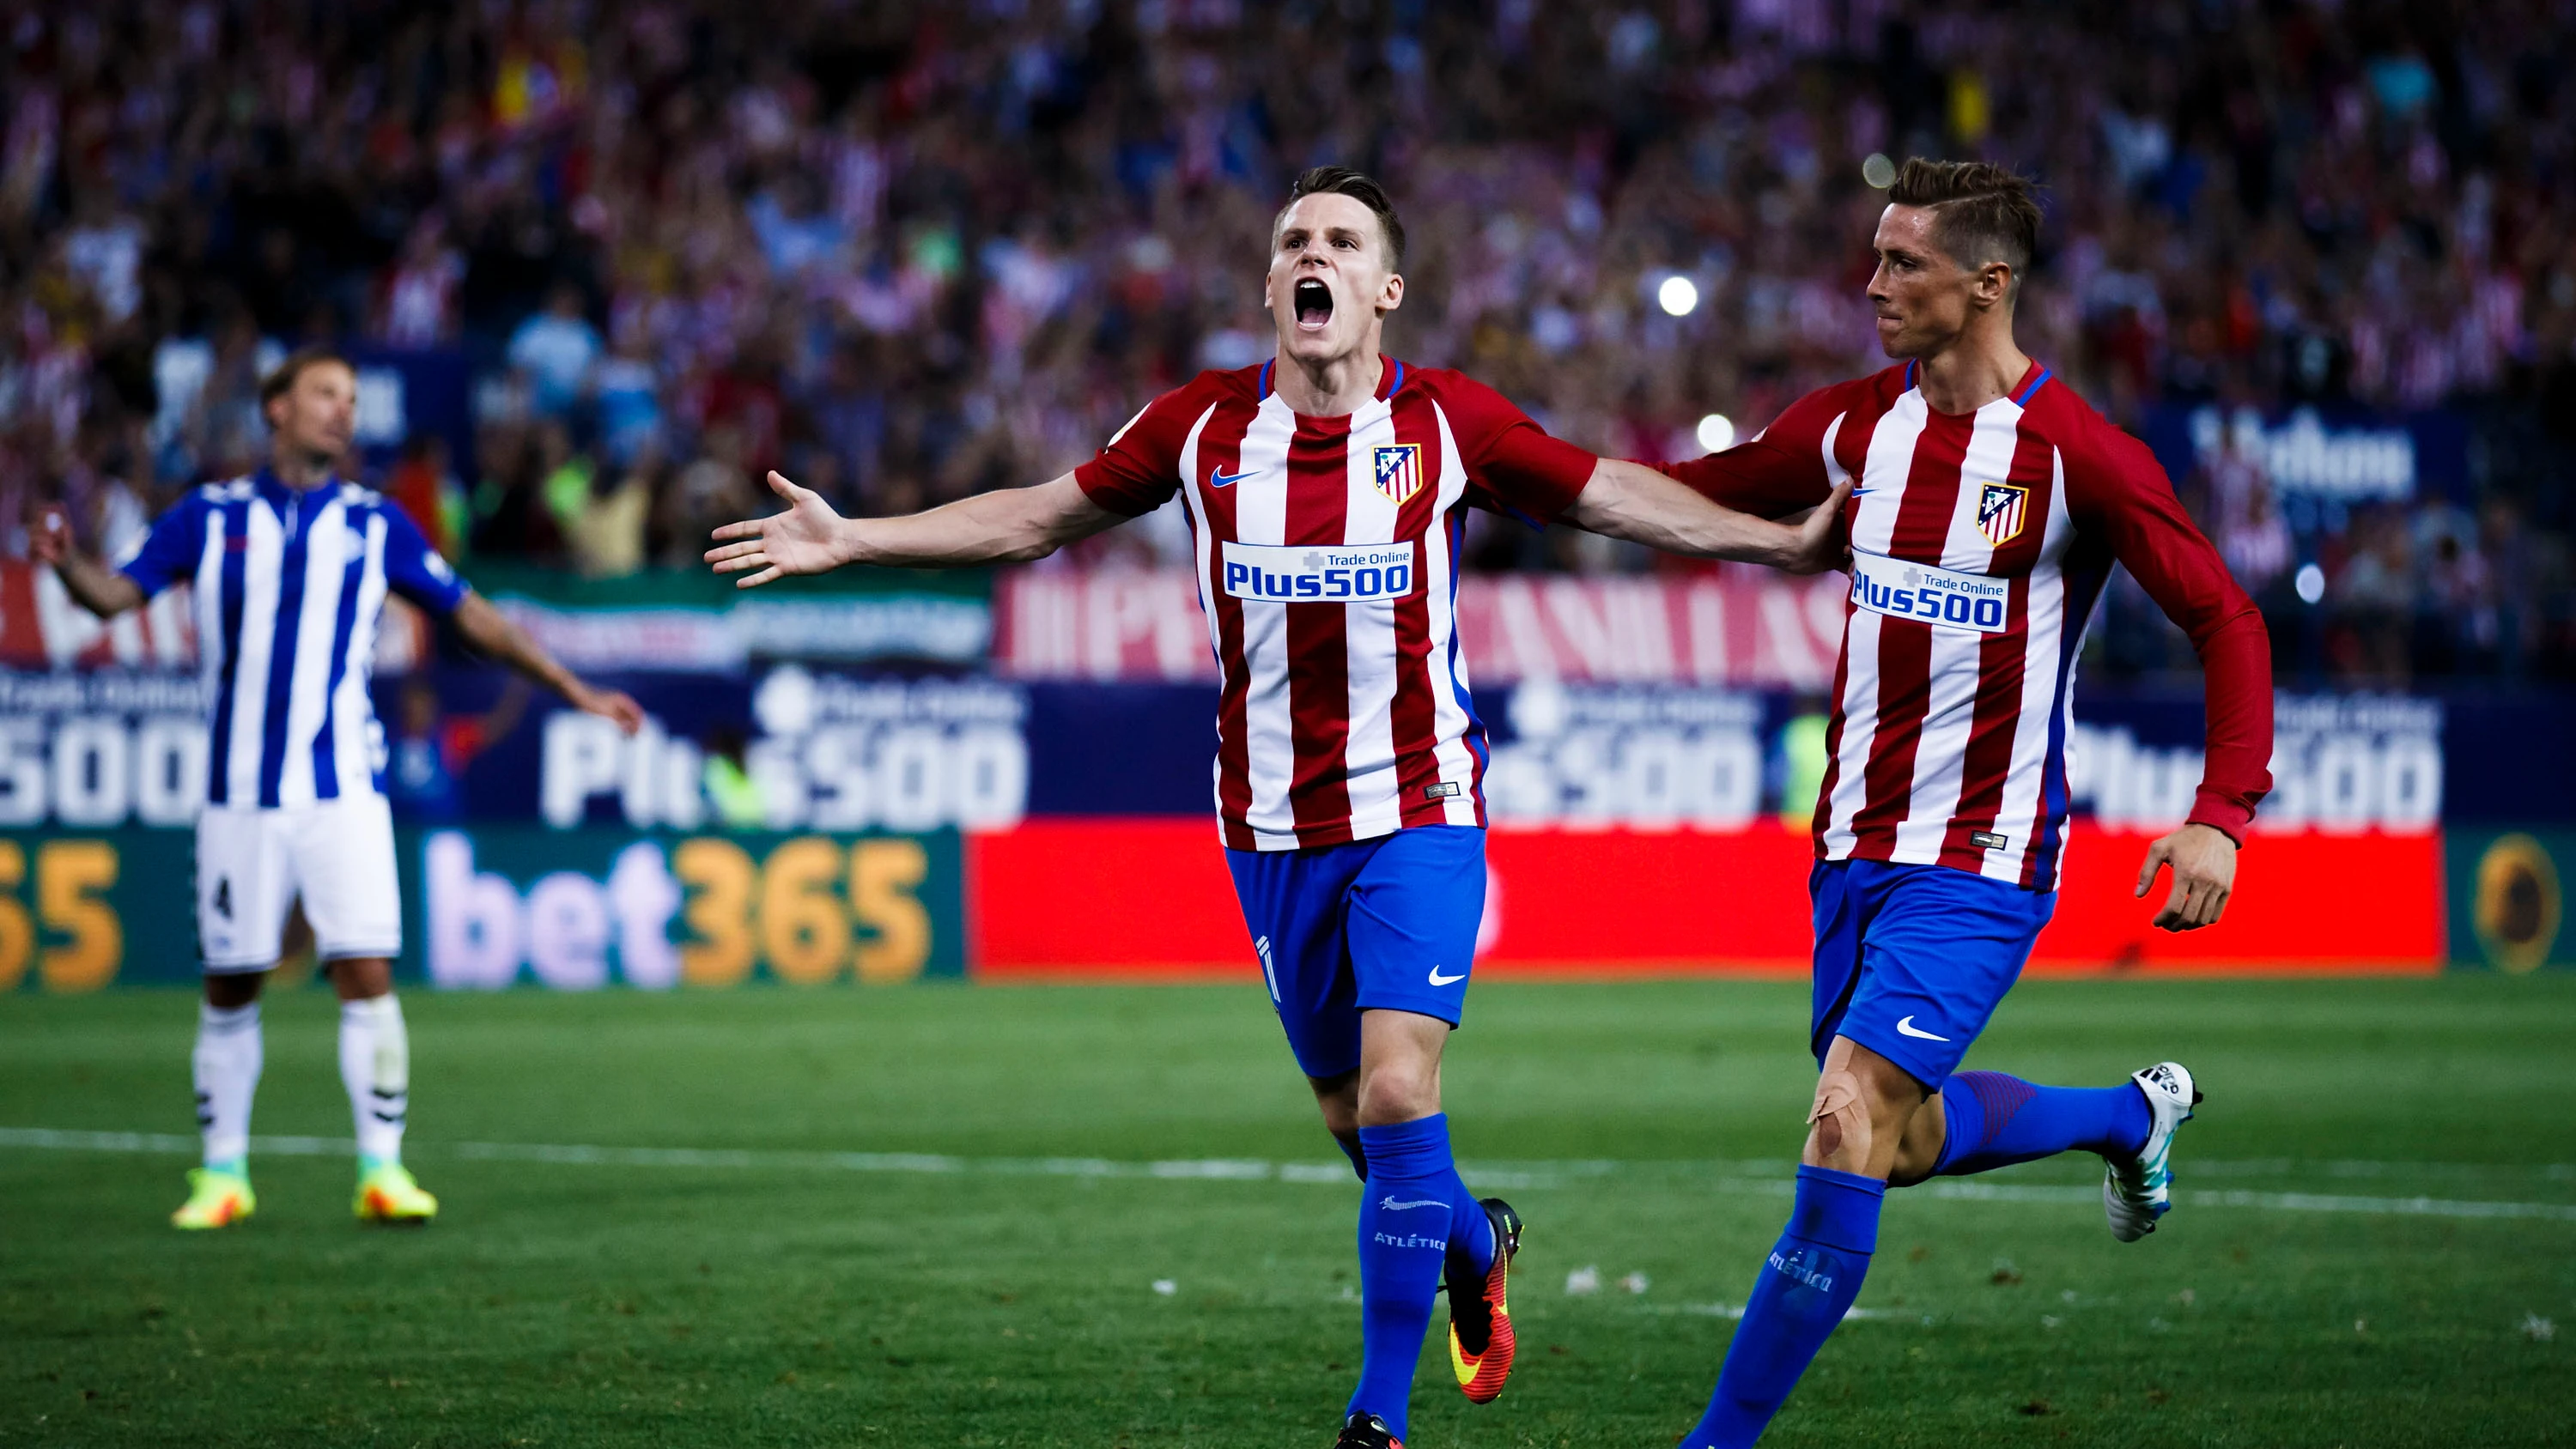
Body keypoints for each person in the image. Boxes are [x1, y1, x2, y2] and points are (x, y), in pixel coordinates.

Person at [706, 167, 1851, 1449]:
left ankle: (1377, 1414)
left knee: (1402, 1093)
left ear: (1384, 291)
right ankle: (1476, 1244)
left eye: (1343, 241)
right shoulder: (1201, 428)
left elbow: (1612, 493)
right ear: (1271, 285)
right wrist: (855, 538)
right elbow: (1034, 518)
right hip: (1265, 832)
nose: (1315, 255)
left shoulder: (1448, 425)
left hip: (1420, 805)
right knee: (1351, 1116)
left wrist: (1775, 545)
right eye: (1294, 239)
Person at [1653, 159, 2274, 1447]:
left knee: (1844, 1120)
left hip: (1984, 855)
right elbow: (1703, 496)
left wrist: (2221, 809)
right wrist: (1501, 469)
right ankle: (2128, 1116)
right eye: (1876, 258)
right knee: (1901, 1139)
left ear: (1986, 285)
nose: (1870, 283)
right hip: (1851, 851)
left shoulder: (2076, 455)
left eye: (1902, 263)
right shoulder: (1854, 427)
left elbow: (2224, 613)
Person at [33, 348, 644, 1232]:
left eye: (352, 399)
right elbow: (110, 597)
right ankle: (222, 1173)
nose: (341, 411)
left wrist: (574, 687)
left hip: (342, 788)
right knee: (233, 981)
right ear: (276, 407)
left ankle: (382, 1169)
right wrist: (62, 561)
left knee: (365, 967)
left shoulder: (375, 523)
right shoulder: (208, 516)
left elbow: (471, 615)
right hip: (239, 790)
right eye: (324, 393)